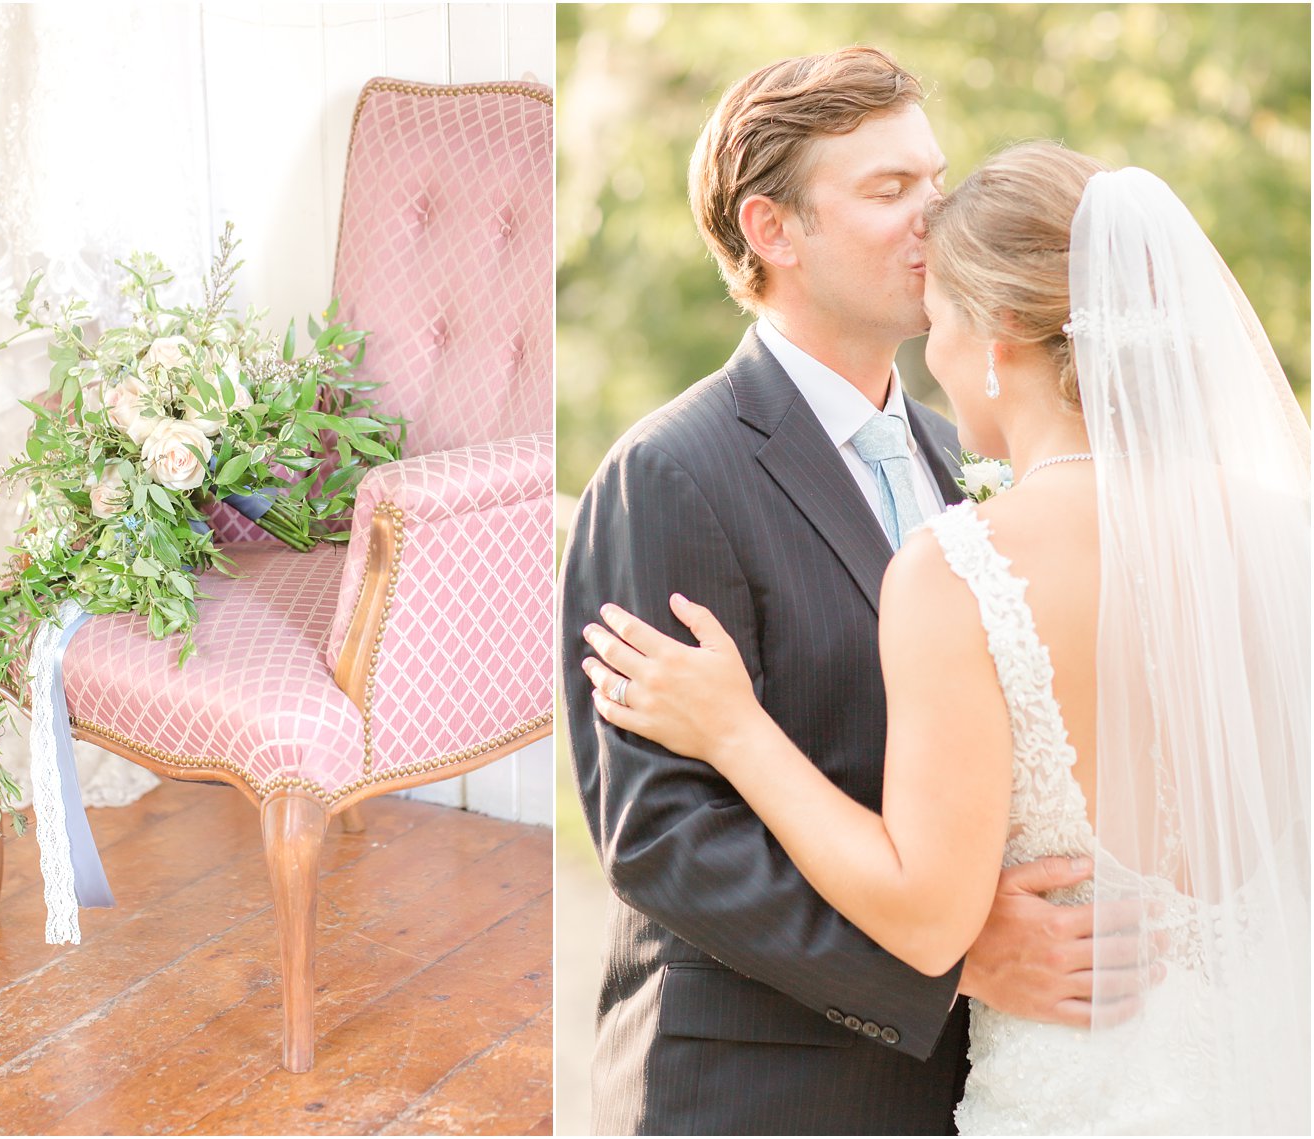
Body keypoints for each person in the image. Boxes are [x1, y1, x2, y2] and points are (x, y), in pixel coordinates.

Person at [581, 140, 1311, 1133]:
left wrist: (735, 732)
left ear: (1000, 330)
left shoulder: (964, 562)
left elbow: (925, 916)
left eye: (940, 320)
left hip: (1074, 1093)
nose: (933, 354)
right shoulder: (1281, 532)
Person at [558, 50, 1132, 1135]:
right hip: (760, 1088)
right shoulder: (667, 473)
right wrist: (950, 963)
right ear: (771, 229)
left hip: (970, 1086)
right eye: (888, 190)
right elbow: (658, 836)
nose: (937, 214)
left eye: (935, 177)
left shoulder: (966, 458)